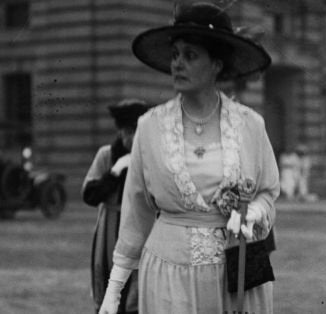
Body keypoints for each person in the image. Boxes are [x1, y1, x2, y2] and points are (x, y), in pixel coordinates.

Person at [98, 2, 279, 314]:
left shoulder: (250, 124)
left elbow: (267, 192)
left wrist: (253, 213)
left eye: (190, 55)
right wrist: (114, 290)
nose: (177, 64)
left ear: (216, 65)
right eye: (175, 54)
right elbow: (136, 212)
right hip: (170, 277)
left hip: (234, 275)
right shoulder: (150, 126)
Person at [83, 99, 149, 314]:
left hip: (143, 228)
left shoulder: (150, 156)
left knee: (138, 292)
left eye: (135, 131)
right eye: (125, 131)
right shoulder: (106, 155)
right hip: (111, 227)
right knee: (110, 287)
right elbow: (89, 195)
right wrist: (115, 171)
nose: (130, 138)